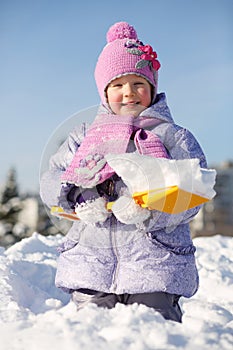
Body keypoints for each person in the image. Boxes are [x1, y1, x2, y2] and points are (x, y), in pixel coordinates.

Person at [40, 22, 208, 323]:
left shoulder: (173, 137)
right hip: (90, 263)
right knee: (90, 333)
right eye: (117, 85)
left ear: (152, 87)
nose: (128, 93)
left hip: (156, 266)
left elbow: (193, 190)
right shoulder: (83, 136)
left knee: (152, 332)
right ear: (104, 92)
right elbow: (52, 179)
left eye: (138, 84)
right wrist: (79, 197)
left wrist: (151, 209)